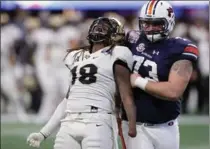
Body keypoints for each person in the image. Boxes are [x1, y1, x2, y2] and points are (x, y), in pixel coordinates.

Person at [27, 17, 136, 149]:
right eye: (98, 27)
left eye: (103, 28)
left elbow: (126, 95)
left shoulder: (112, 54)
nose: (99, 30)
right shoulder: (80, 55)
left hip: (87, 122)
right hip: (83, 122)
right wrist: (44, 133)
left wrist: (131, 126)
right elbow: (68, 100)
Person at [121, 1, 199, 149]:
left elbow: (173, 91)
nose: (150, 28)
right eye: (146, 23)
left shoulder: (180, 47)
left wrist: (138, 81)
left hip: (166, 126)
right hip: (136, 125)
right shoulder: (131, 39)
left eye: (156, 23)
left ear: (168, 23)